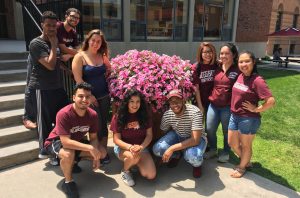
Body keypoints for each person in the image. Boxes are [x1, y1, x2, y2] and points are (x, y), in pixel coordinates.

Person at [44, 82, 107, 198]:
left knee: (102, 152)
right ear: (73, 97)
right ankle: (68, 182)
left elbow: (93, 138)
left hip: (76, 141)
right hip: (56, 141)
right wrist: (90, 148)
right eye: (80, 96)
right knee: (68, 153)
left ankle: (73, 162)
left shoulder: (93, 115)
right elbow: (65, 142)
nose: (84, 99)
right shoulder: (64, 114)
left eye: (88, 97)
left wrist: (96, 155)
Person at [27, 11, 69, 158]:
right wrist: (53, 44)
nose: (52, 28)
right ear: (42, 25)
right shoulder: (36, 43)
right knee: (44, 123)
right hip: (41, 88)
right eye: (48, 25)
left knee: (63, 118)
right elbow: (50, 65)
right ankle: (45, 151)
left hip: (57, 87)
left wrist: (66, 69)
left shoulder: (54, 42)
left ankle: (59, 147)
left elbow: (55, 61)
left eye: (54, 26)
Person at [228, 51, 275, 178]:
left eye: (247, 61)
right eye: (241, 61)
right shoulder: (240, 76)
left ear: (253, 62)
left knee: (246, 145)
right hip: (235, 115)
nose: (244, 64)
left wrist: (255, 109)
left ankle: (242, 167)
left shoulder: (257, 80)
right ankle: (246, 160)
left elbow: (270, 101)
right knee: (232, 142)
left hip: (248, 119)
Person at [72, 29, 111, 164]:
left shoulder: (102, 55)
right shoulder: (80, 56)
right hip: (89, 98)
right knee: (96, 125)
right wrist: (90, 96)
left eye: (98, 41)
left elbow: (109, 72)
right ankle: (96, 152)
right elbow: (78, 79)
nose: (95, 43)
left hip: (105, 95)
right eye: (93, 40)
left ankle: (103, 151)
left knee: (104, 123)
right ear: (88, 40)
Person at [152, 89, 207, 178]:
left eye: (177, 101)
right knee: (158, 149)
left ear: (183, 101)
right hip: (178, 135)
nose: (174, 105)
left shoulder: (195, 112)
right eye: (172, 102)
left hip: (197, 138)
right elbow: (163, 132)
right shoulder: (167, 114)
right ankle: (177, 156)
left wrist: (172, 148)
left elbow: (195, 140)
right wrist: (164, 148)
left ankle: (197, 165)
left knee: (193, 156)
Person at [110, 89, 156, 187]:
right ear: (127, 102)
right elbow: (116, 139)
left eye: (137, 102)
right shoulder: (118, 116)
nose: (135, 105)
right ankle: (125, 171)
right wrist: (130, 147)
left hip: (141, 147)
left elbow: (149, 135)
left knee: (150, 175)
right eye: (132, 101)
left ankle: (135, 163)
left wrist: (141, 147)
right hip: (123, 148)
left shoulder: (145, 115)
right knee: (132, 156)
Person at [205, 43, 240, 162]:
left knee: (227, 131)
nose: (223, 55)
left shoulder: (237, 69)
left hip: (227, 107)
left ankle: (226, 151)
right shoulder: (216, 66)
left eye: (227, 53)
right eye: (222, 53)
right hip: (213, 105)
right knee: (209, 129)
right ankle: (213, 150)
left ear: (233, 55)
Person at [192, 42, 218, 115]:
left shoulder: (217, 65)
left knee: (210, 126)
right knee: (198, 125)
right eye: (205, 52)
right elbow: (196, 88)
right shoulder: (196, 67)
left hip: (213, 102)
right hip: (200, 101)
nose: (208, 54)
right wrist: (200, 106)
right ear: (200, 53)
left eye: (210, 52)